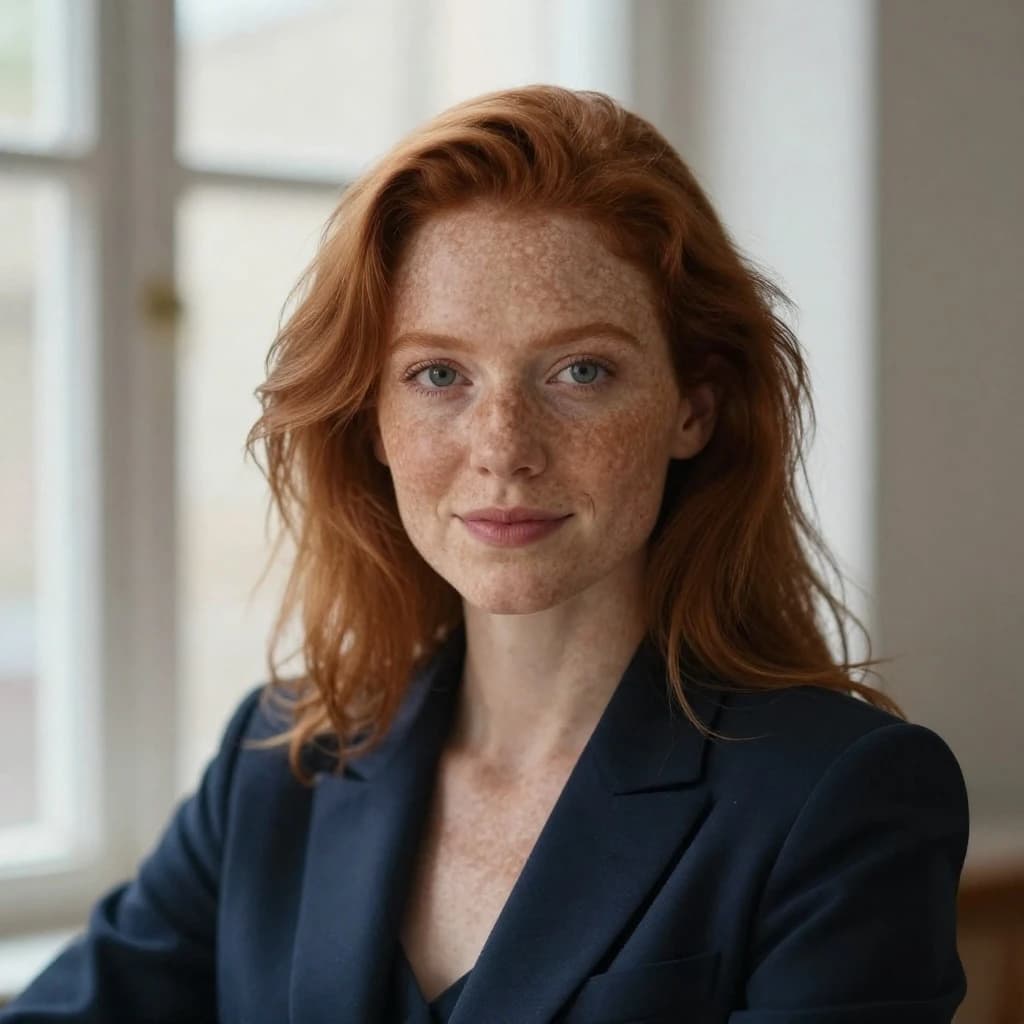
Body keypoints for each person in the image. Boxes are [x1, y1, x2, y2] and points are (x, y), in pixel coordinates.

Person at [1, 84, 969, 1023]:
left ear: (692, 408)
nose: (503, 445)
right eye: (437, 374)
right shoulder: (282, 760)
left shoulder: (841, 800)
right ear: (371, 420)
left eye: (580, 370)